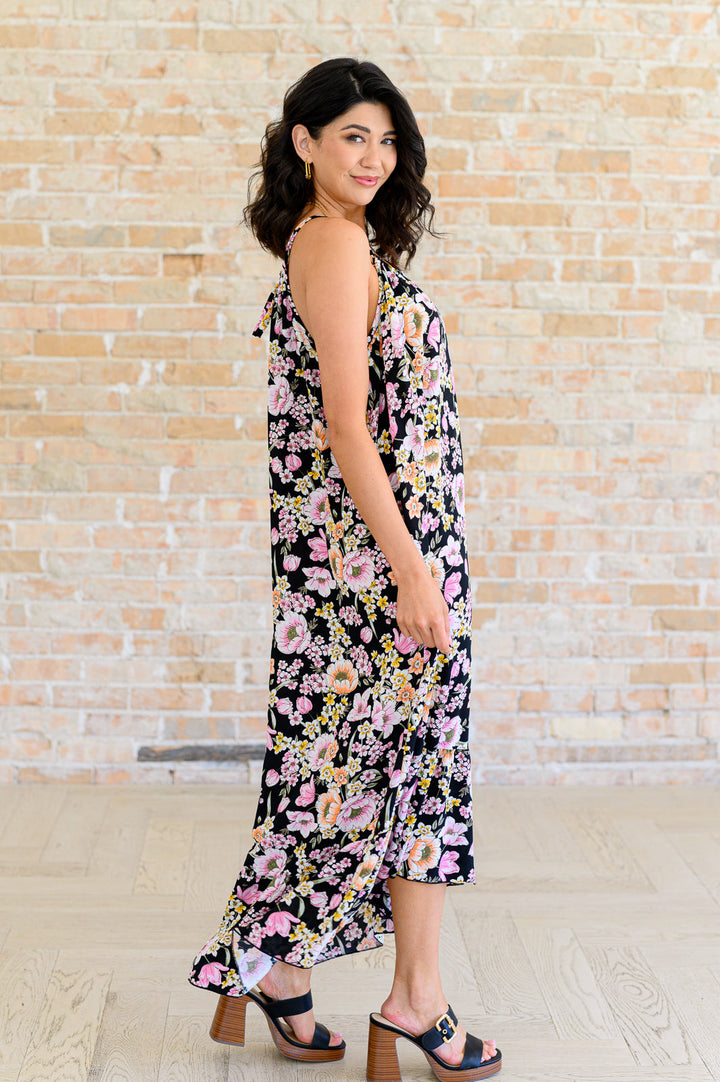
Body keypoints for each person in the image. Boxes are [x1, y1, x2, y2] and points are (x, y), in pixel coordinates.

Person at [188, 57, 502, 1081]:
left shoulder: (343, 239)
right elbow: (346, 426)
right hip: (375, 563)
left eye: (386, 139)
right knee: (416, 770)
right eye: (352, 136)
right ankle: (416, 1001)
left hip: (375, 556)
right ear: (305, 143)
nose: (373, 157)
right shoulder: (329, 242)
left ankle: (275, 967)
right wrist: (411, 568)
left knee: (342, 765)